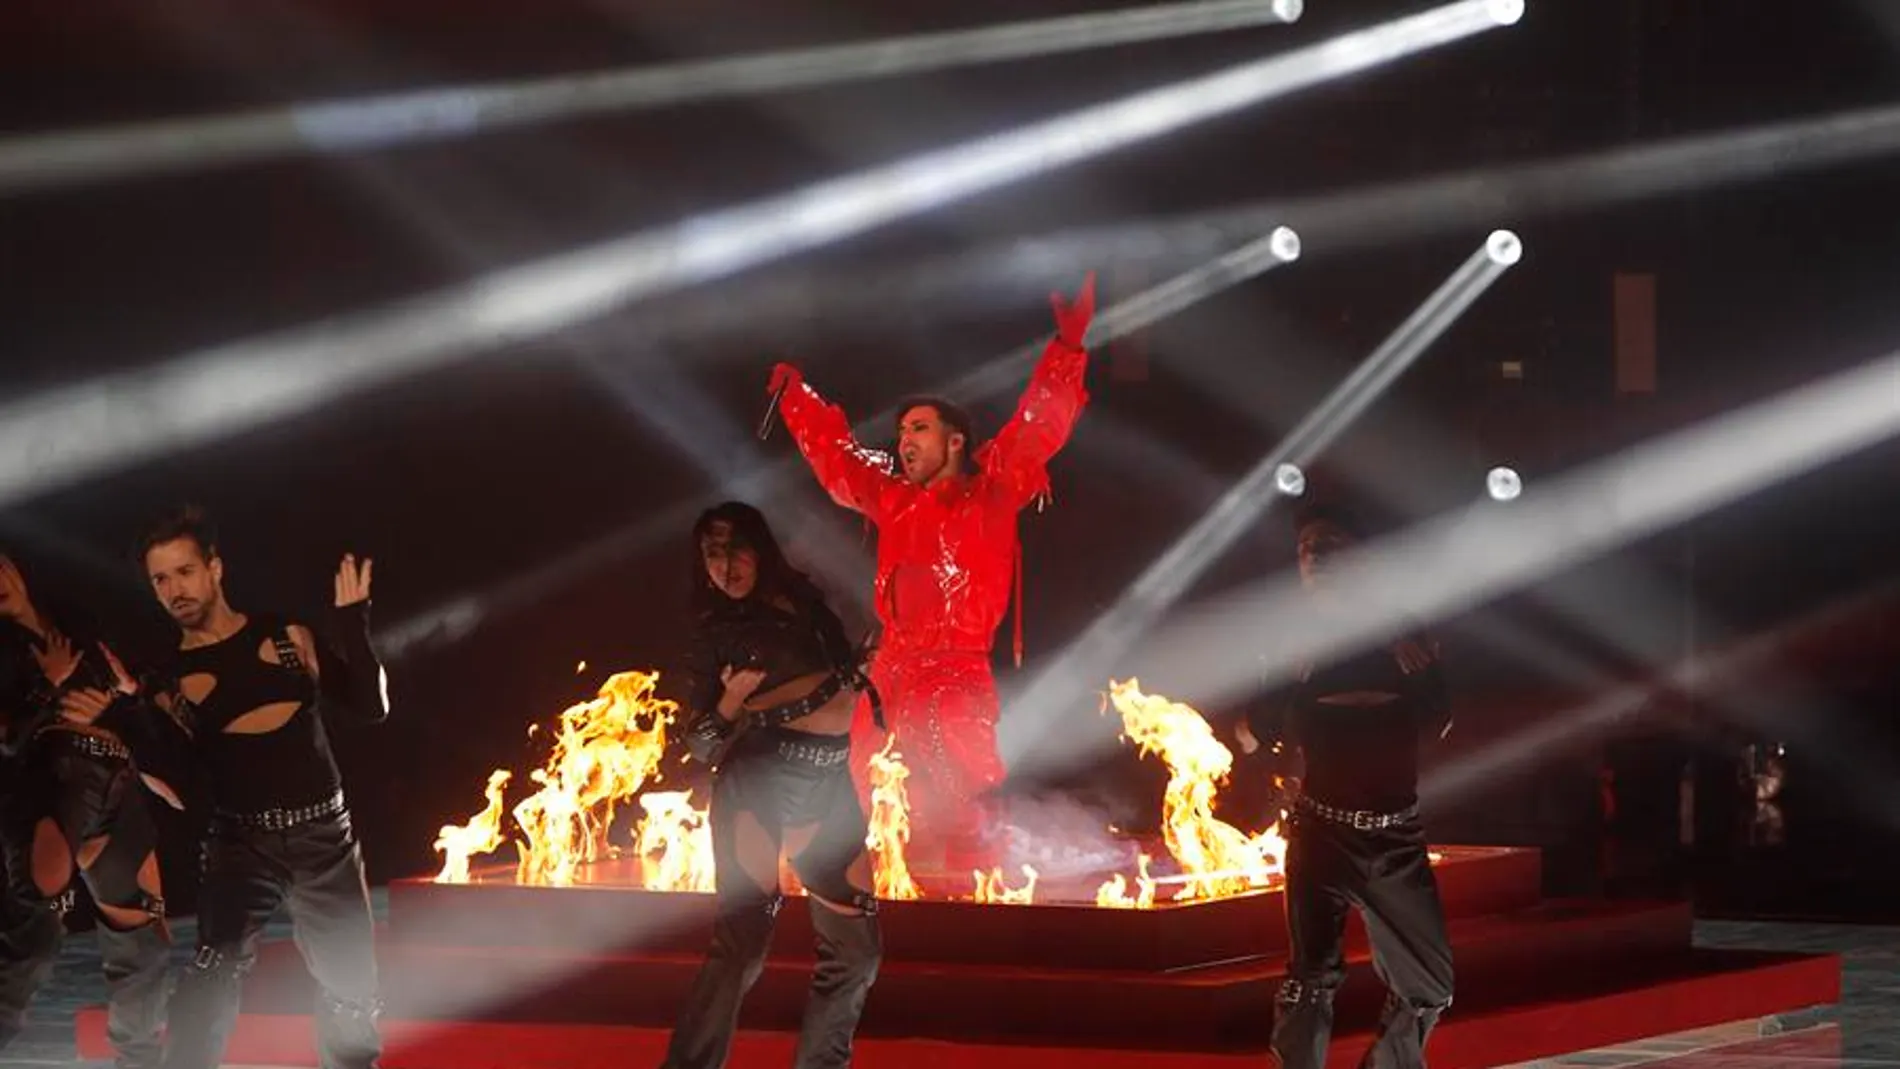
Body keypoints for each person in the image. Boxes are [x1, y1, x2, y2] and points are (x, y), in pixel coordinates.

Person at [767, 275, 1096, 872]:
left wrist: (1067, 350)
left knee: (959, 795)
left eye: (918, 429)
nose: (904, 441)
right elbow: (836, 458)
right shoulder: (892, 497)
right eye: (900, 433)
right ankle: (868, 893)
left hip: (955, 668)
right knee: (863, 785)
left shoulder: (993, 489)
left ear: (956, 441)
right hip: (893, 663)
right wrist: (797, 396)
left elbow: (1038, 425)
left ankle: (975, 892)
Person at [137, 507, 390, 1069]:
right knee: (209, 980)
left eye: (184, 572)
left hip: (327, 839)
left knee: (352, 994)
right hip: (240, 847)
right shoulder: (167, 680)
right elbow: (177, 787)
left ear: (215, 569)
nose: (174, 589)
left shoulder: (287, 636)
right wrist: (140, 726)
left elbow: (371, 709)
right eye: (160, 579)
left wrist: (354, 624)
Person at [1234, 502, 1455, 1069]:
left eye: (1329, 544)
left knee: (1430, 987)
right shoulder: (1287, 636)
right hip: (1319, 835)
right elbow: (1251, 737)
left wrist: (1422, 675)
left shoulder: (1403, 628)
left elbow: (1439, 721)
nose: (1316, 556)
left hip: (1396, 839)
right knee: (1312, 978)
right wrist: (1285, 684)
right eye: (1307, 547)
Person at [663, 502, 881, 1069]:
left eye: (735, 550)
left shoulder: (806, 603)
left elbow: (843, 677)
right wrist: (733, 700)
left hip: (828, 782)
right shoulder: (715, 634)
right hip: (759, 782)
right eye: (712, 554)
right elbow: (702, 743)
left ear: (760, 550)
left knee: (856, 955)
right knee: (743, 948)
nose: (724, 567)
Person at [0, 549, 173, 1068]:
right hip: (50, 782)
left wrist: (126, 694)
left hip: (116, 776)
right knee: (33, 940)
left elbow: (129, 684)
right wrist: (47, 686)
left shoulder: (75, 618)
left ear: (12, 566)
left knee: (145, 944)